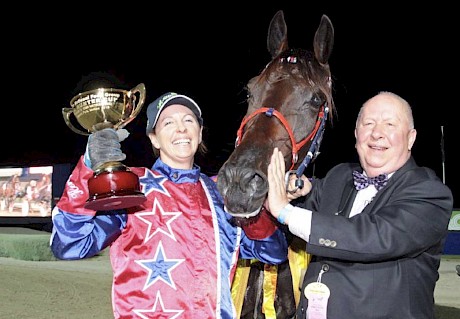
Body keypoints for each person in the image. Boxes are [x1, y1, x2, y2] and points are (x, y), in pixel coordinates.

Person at [50, 91, 289, 319]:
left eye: (189, 120)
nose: (181, 128)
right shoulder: (133, 185)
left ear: (200, 132)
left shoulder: (221, 193)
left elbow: (273, 252)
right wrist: (90, 168)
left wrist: (252, 208)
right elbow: (70, 244)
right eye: (168, 123)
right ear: (154, 137)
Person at [265, 91, 453, 318]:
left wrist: (286, 212)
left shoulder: (431, 193)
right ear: (356, 134)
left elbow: (373, 236)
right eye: (369, 123)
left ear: (411, 138)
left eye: (390, 124)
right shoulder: (338, 176)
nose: (377, 133)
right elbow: (302, 211)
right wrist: (290, 187)